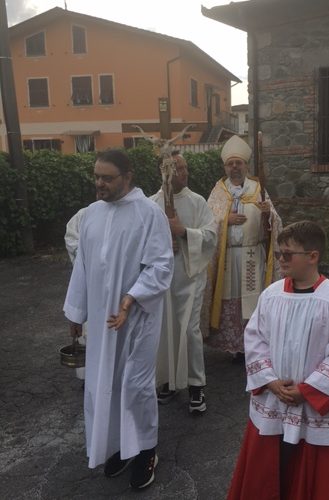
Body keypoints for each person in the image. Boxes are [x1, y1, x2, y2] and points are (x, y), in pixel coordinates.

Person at [63, 149, 174, 490]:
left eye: (107, 178)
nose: (100, 183)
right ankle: (120, 447)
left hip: (137, 319)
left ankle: (146, 451)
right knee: (103, 384)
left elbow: (161, 265)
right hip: (102, 321)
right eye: (97, 176)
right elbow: (83, 266)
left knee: (135, 386)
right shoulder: (91, 215)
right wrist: (76, 313)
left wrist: (131, 298)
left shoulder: (148, 214)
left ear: (127, 177)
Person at [227, 221, 329, 500]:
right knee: (268, 473)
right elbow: (255, 339)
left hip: (313, 406)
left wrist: (307, 391)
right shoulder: (271, 295)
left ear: (313, 256)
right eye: (279, 253)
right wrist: (270, 381)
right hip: (274, 399)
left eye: (288, 254)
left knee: (309, 476)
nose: (281, 259)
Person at [150, 152, 217, 414]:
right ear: (164, 172)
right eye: (178, 169)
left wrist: (184, 233)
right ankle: (167, 380)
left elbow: (211, 236)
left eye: (185, 167)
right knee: (164, 329)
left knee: (189, 330)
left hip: (190, 275)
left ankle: (196, 385)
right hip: (161, 278)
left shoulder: (197, 201)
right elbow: (141, 240)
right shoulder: (151, 204)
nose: (185, 173)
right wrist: (162, 243)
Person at [205, 135, 282, 358]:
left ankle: (253, 345)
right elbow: (207, 223)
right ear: (225, 167)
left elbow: (276, 222)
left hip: (252, 255)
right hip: (227, 258)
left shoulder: (258, 189)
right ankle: (234, 347)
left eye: (238, 163)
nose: (235, 167)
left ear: (246, 166)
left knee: (252, 300)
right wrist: (225, 220)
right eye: (230, 163)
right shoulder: (219, 191)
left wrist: (268, 215)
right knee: (230, 300)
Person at [64, 206, 88, 382]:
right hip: (89, 284)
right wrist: (88, 254)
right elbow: (71, 238)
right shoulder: (83, 215)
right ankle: (88, 377)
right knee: (88, 332)